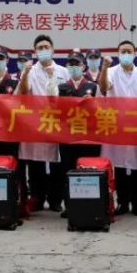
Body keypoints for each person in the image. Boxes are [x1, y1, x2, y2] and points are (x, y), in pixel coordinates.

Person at [17, 34, 69, 212]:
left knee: (57, 164)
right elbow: (23, 92)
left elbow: (70, 96)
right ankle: (37, 198)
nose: (44, 51)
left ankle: (55, 199)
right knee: (35, 163)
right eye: (40, 48)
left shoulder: (63, 71)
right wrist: (24, 72)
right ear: (35, 51)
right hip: (36, 123)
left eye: (47, 47)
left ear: (53, 49)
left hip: (57, 123)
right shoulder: (30, 71)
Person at [99, 40, 137, 216]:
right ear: (118, 53)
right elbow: (104, 88)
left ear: (135, 54)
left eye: (129, 51)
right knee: (120, 166)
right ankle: (122, 202)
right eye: (123, 51)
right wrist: (104, 67)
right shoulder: (111, 72)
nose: (126, 54)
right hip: (118, 125)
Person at [56, 51, 101, 217]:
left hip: (89, 137)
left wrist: (93, 104)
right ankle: (70, 205)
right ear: (67, 67)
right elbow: (53, 109)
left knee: (89, 169)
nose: (74, 67)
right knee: (67, 171)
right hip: (68, 137)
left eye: (77, 64)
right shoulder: (61, 87)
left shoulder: (93, 86)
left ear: (83, 66)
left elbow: (104, 110)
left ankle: (90, 203)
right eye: (71, 64)